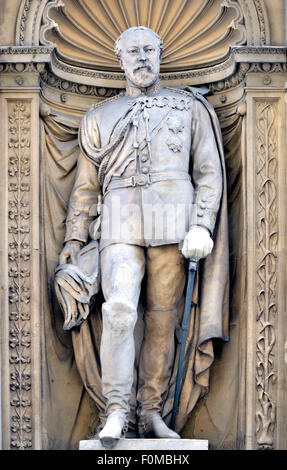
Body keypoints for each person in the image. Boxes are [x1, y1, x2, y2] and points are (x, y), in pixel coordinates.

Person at [59, 26, 226, 448]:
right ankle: (117, 409)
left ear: (160, 54)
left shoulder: (189, 109)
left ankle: (151, 411)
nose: (142, 58)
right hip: (119, 222)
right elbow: (85, 189)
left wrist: (202, 225)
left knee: (162, 320)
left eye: (149, 50)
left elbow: (208, 173)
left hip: (174, 222)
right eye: (133, 51)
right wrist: (74, 243)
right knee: (118, 309)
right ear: (120, 59)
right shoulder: (99, 117)